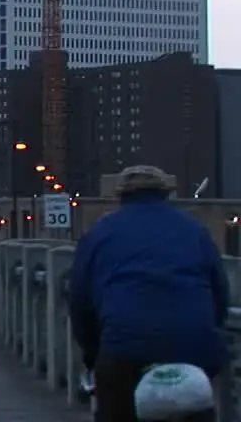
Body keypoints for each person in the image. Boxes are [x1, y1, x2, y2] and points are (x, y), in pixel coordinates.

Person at [69, 165, 230, 421]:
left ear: (121, 196)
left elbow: (79, 301)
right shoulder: (194, 230)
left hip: (125, 349)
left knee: (116, 404)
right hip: (192, 346)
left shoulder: (99, 233)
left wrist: (93, 354)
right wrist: (209, 334)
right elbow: (219, 293)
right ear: (166, 194)